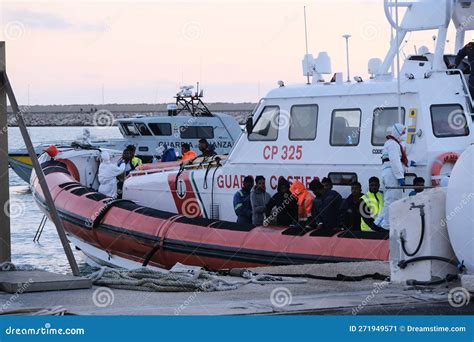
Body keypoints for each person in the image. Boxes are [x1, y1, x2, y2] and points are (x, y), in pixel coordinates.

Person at [377, 123, 408, 229]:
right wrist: (400, 177)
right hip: (392, 175)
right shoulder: (393, 144)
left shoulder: (391, 144)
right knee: (391, 200)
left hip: (388, 173)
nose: (404, 135)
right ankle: (384, 225)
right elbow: (395, 161)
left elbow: (396, 160)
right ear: (397, 132)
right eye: (403, 132)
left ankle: (379, 223)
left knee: (390, 200)